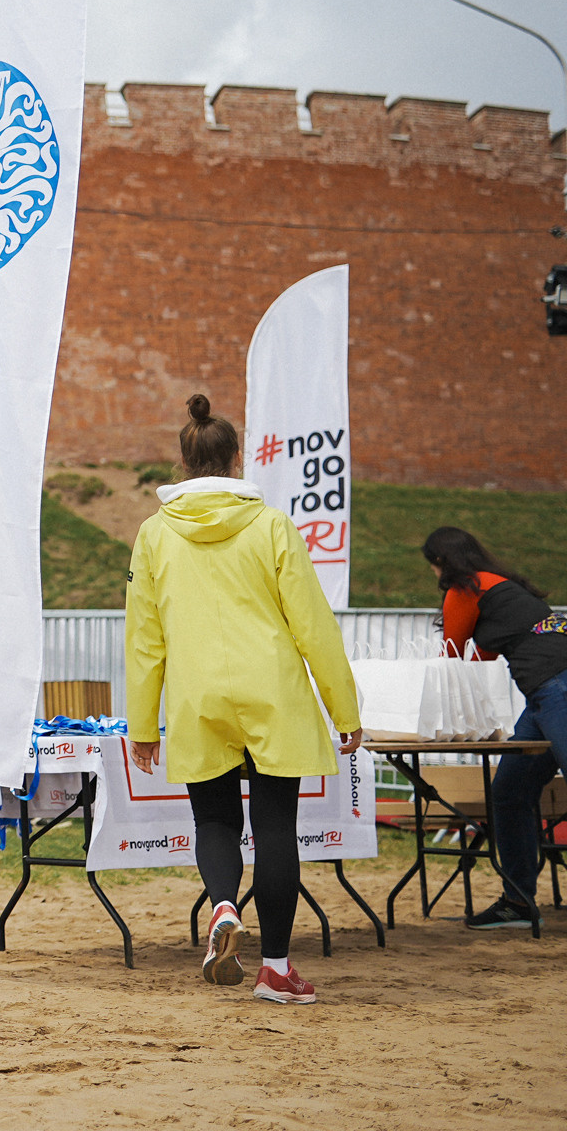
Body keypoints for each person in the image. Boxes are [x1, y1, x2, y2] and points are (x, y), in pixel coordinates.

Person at [127, 393, 364, 1004]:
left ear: (182, 463)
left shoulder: (154, 535)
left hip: (196, 696)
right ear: (237, 459)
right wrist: (345, 708)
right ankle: (277, 970)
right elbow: (312, 624)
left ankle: (225, 905)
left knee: (213, 819)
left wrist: (143, 725)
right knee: (277, 827)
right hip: (273, 693)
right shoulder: (272, 525)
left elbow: (145, 641)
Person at [421, 527, 567, 931]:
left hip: (556, 689)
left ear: (440, 562)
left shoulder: (464, 590)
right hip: (545, 695)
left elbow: (453, 655)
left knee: (511, 793)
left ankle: (519, 900)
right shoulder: (501, 587)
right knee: (509, 791)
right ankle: (518, 902)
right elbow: (480, 657)